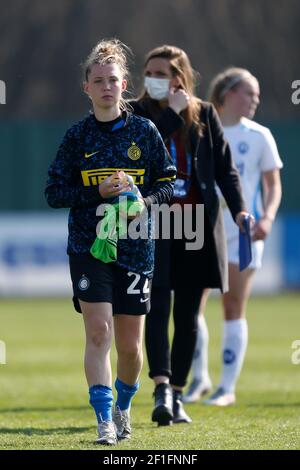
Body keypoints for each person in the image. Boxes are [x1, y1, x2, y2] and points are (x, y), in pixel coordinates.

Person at [45, 39, 176, 445]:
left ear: (124, 85)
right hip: (89, 247)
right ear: (86, 87)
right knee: (98, 333)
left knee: (131, 348)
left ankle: (124, 406)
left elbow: (168, 182)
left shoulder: (144, 131)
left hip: (136, 247)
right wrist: (95, 194)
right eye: (97, 80)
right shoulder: (77, 137)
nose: (106, 86)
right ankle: (103, 420)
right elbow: (53, 193)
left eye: (113, 80)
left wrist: (144, 202)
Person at [130, 46, 250, 425]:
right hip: (155, 224)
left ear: (179, 77)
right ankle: (161, 387)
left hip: (197, 224)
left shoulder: (206, 114)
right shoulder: (136, 112)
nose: (152, 79)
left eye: (160, 73)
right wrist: (171, 115)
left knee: (187, 315)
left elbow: (225, 170)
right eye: (149, 72)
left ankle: (178, 391)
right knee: (157, 308)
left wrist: (240, 208)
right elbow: (138, 155)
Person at [183, 67, 283, 406]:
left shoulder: (259, 136)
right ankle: (199, 379)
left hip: (243, 231)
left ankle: (227, 387)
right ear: (227, 94)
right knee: (190, 306)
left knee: (233, 305)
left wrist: (267, 217)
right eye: (248, 92)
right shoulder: (198, 131)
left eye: (256, 94)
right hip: (201, 228)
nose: (255, 99)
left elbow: (273, 185)